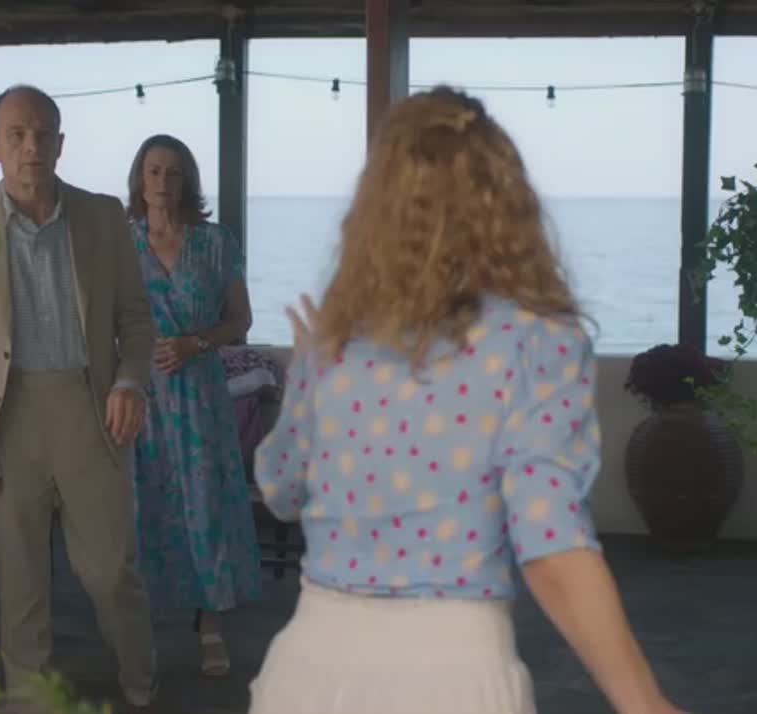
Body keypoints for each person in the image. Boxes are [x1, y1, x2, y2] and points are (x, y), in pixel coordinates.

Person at [249, 87, 686, 714]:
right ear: (506, 204)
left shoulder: (334, 349)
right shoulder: (534, 343)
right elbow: (550, 540)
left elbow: (280, 488)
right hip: (452, 677)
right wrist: (646, 705)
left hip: (308, 671)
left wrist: (307, 375)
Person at [0, 85, 161, 712]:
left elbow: (136, 323)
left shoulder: (103, 216)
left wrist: (129, 382)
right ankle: (30, 699)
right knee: (20, 586)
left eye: (42, 134)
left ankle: (142, 682)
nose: (31, 146)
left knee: (110, 572)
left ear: (61, 144)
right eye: (16, 135)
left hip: (89, 411)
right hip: (3, 420)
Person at [125, 134, 262, 676]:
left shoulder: (214, 242)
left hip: (200, 393)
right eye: (154, 171)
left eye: (174, 172)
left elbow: (240, 319)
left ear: (188, 182)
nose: (163, 182)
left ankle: (211, 626)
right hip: (140, 394)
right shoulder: (120, 242)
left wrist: (195, 342)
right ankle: (141, 627)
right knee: (142, 505)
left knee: (206, 508)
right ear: (140, 180)